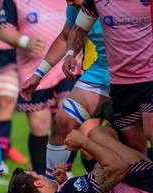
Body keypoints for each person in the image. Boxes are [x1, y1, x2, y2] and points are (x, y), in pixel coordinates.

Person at [20, 0, 110, 178]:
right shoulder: (76, 8)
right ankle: (51, 192)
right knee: (62, 124)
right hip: (99, 70)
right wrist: (39, 74)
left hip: (133, 73)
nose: (68, 3)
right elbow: (66, 36)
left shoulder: (120, 4)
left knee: (134, 138)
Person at [8, 126, 153, 193]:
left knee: (97, 156)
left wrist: (62, 183)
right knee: (97, 134)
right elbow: (118, 167)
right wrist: (84, 142)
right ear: (39, 183)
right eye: (38, 175)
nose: (42, 175)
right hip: (144, 191)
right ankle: (117, 119)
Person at [0, 0, 82, 175]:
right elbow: (3, 29)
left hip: (69, 65)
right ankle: (40, 175)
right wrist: (24, 41)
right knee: (39, 125)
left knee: (68, 117)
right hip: (33, 68)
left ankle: (63, 170)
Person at [62, 0, 153, 156]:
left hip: (149, 79)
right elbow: (80, 28)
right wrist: (70, 54)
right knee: (134, 149)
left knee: (151, 132)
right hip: (120, 83)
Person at [0, 0, 28, 174]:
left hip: (35, 53)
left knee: (43, 110)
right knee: (5, 101)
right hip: (6, 54)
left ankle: (46, 162)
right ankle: (1, 158)